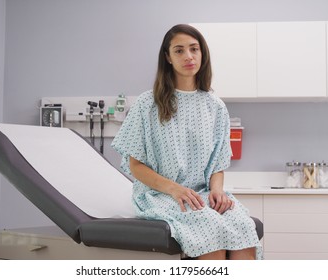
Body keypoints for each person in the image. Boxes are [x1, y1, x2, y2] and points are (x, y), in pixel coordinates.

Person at [111, 24, 262, 260]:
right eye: (179, 50)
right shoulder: (147, 104)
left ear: (203, 54)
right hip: (161, 196)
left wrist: (217, 191)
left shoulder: (215, 106)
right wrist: (175, 189)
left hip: (202, 194)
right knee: (210, 226)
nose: (188, 56)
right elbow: (136, 166)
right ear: (168, 57)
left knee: (243, 226)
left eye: (194, 49)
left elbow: (218, 164)